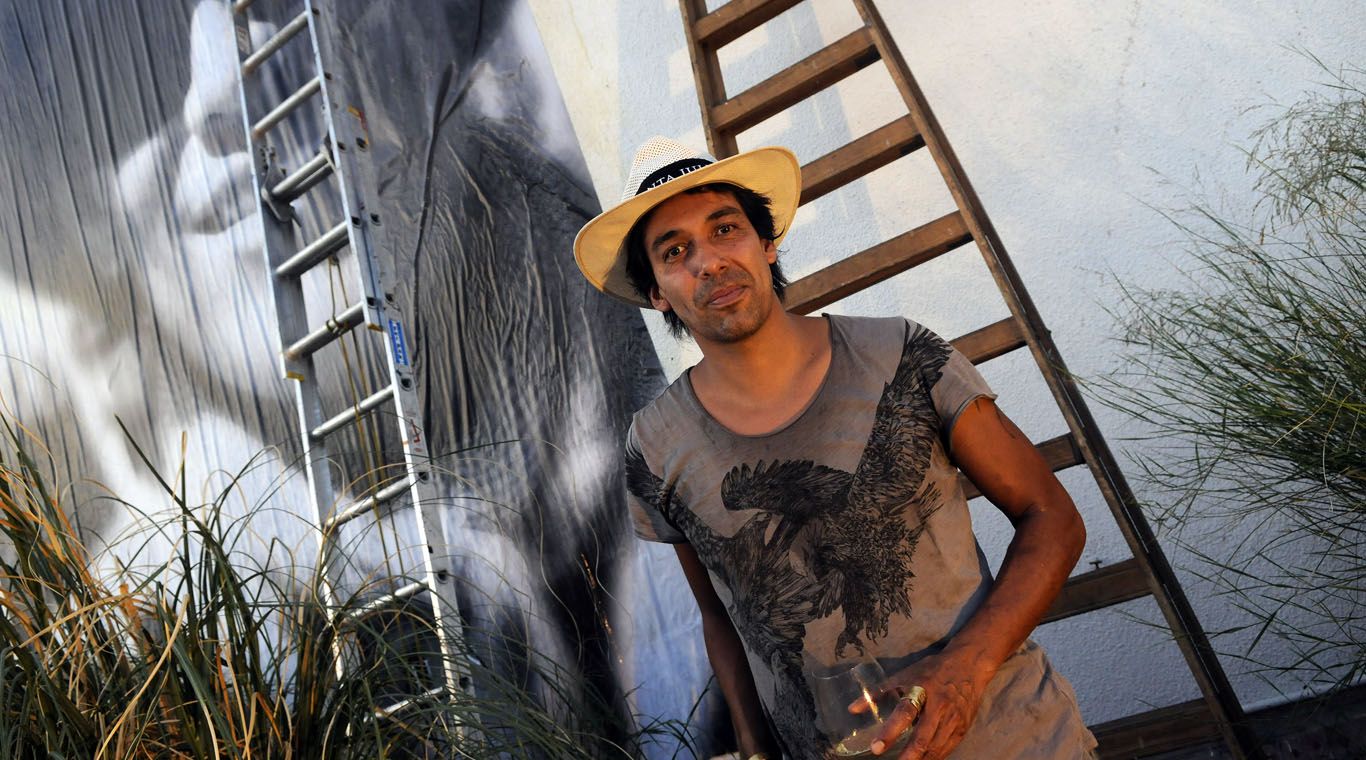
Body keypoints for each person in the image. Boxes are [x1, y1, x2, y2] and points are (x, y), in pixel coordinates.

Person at [573, 137, 1099, 760]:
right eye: (675, 251)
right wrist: (753, 748)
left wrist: (965, 668)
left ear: (767, 243)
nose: (708, 262)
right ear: (657, 291)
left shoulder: (901, 356)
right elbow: (722, 615)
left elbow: (1052, 517)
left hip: (1013, 740)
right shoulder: (655, 444)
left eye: (725, 229)